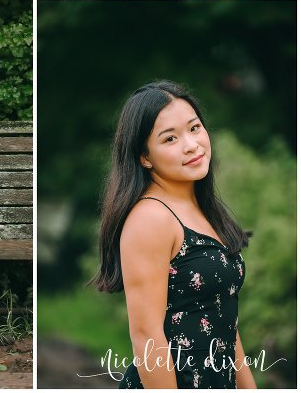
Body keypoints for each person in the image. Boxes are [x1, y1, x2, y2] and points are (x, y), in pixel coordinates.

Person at [94, 81, 254, 389]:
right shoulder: (151, 219)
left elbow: (226, 323)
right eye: (170, 138)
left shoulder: (202, 210)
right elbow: (146, 337)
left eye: (194, 129)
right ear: (144, 156)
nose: (191, 144)